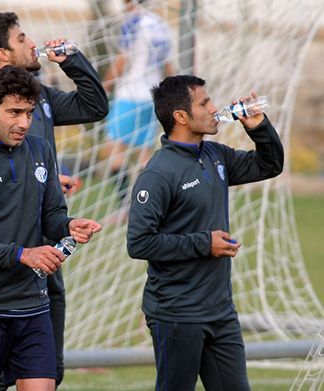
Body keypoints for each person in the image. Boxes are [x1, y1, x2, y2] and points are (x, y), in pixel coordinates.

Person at [0, 65, 103, 391]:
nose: (24, 123)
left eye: (28, 112)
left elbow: (52, 214)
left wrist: (70, 225)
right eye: (14, 112)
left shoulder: (40, 150)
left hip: (33, 304)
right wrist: (22, 254)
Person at [0, 12, 109, 387]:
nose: (33, 43)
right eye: (22, 38)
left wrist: (73, 61)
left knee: (47, 371)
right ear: (3, 53)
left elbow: (94, 107)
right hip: (4, 262)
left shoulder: (40, 98)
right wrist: (34, 179)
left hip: (47, 245)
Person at [126, 75, 284, 391]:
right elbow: (139, 242)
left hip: (220, 310)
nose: (214, 108)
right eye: (204, 103)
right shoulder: (158, 174)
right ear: (181, 117)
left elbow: (270, 165)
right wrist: (204, 243)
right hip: (176, 313)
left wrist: (259, 128)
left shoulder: (215, 156)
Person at [103, 0, 175, 202]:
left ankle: (125, 203)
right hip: (153, 96)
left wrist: (102, 88)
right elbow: (168, 66)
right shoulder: (161, 25)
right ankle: (150, 202)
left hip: (130, 95)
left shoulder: (132, 23)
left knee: (115, 149)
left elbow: (122, 61)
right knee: (145, 154)